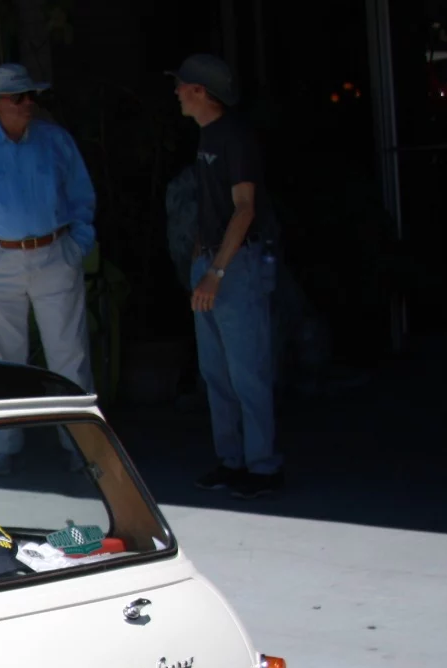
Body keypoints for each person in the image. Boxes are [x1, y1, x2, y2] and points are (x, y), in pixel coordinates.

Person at [0, 63, 96, 475]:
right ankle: (5, 445)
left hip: (54, 253)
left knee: (70, 354)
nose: (28, 103)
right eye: (18, 97)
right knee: (3, 360)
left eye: (31, 95)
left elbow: (82, 195)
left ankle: (81, 447)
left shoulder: (55, 141)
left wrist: (77, 245)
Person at [172, 53, 283, 499]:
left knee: (247, 370)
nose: (177, 92)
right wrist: (203, 256)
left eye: (182, 85)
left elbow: (245, 207)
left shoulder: (235, 136)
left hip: (235, 266)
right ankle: (231, 459)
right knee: (215, 370)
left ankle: (264, 465)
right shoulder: (206, 136)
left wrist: (216, 270)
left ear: (201, 91)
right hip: (213, 262)